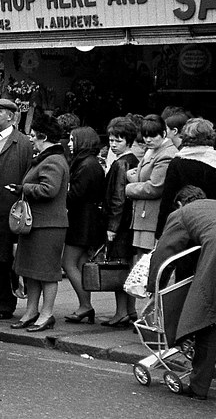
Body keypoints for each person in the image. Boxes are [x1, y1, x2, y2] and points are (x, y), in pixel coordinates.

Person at [146, 198, 216, 401]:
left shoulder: (180, 214)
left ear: (178, 203)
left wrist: (154, 289)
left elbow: (163, 253)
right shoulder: (209, 207)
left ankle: (198, 388)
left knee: (206, 318)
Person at [7, 113, 69, 332]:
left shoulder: (53, 160)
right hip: (36, 225)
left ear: (43, 136)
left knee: (46, 272)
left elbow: (49, 190)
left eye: (33, 135)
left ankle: (46, 313)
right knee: (30, 270)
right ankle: (31, 311)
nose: (30, 139)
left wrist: (23, 189)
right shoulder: (46, 158)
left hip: (48, 226)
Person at [0, 97, 34, 319]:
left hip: (10, 209)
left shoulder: (22, 143)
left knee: (5, 258)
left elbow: (29, 173)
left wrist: (21, 192)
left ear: (11, 116)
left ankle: (5, 304)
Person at [62, 126, 106, 324]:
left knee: (68, 263)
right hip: (86, 220)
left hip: (82, 221)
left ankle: (85, 305)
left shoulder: (86, 165)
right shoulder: (90, 163)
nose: (70, 144)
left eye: (73, 140)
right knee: (79, 264)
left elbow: (75, 195)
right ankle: (84, 305)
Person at [101, 116, 141, 328]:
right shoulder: (133, 161)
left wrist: (112, 227)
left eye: (118, 140)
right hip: (129, 223)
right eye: (111, 140)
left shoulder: (121, 164)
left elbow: (118, 198)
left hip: (119, 225)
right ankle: (130, 310)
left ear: (128, 141)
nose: (113, 144)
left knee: (119, 268)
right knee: (127, 268)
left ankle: (120, 312)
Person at [125, 114, 177, 259]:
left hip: (152, 217)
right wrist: (134, 177)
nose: (148, 140)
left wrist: (128, 188)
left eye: (153, 136)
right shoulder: (152, 150)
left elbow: (155, 187)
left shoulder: (167, 154)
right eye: (145, 136)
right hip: (144, 215)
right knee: (141, 261)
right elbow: (144, 178)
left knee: (147, 261)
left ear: (164, 134)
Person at [157, 118, 216, 240]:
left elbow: (167, 199)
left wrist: (160, 233)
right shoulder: (213, 161)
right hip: (210, 225)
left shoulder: (177, 162)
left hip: (182, 225)